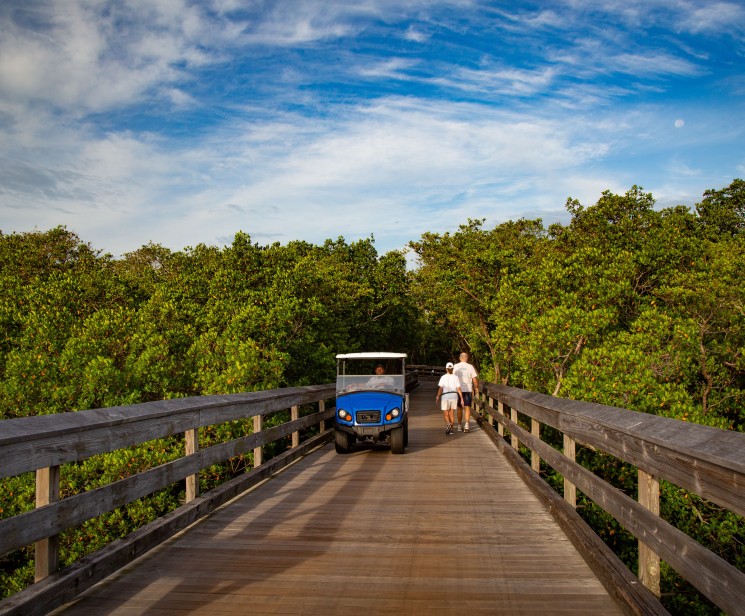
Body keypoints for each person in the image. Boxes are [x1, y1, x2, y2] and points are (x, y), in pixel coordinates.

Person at [453, 352, 479, 433]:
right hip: (467, 390)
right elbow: (474, 379)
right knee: (467, 407)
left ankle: (460, 425)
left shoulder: (456, 366)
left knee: (459, 407)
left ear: (460, 358)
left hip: (458, 390)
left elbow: (452, 378)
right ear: (467, 358)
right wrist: (476, 387)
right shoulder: (470, 367)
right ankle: (467, 425)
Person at [435, 362, 464, 435]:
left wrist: (438, 396)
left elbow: (441, 389)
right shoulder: (456, 377)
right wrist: (462, 399)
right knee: (451, 413)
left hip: (445, 396)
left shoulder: (443, 377)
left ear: (446, 369)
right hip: (454, 396)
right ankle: (451, 429)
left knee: (446, 413)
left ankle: (448, 424)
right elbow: (459, 389)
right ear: (453, 369)